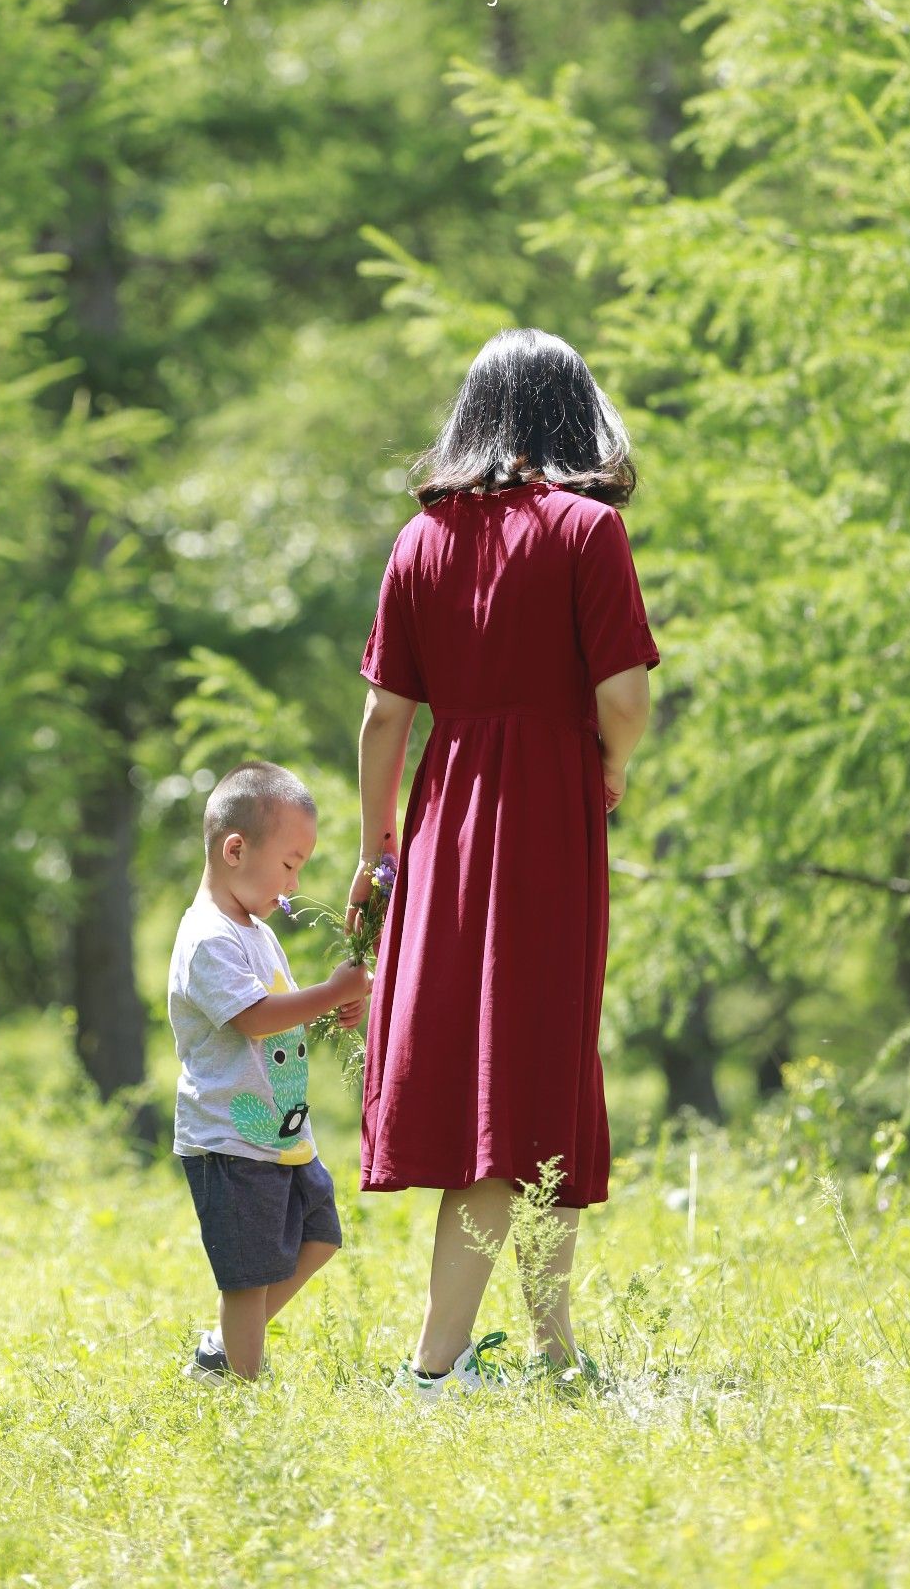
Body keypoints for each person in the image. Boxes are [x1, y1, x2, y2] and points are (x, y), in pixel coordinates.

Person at [351, 328, 661, 1401]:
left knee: (514, 1080)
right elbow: (625, 694)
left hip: (446, 819)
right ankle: (435, 1367)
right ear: (574, 416)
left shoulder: (419, 540)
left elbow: (386, 715)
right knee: (529, 1072)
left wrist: (378, 847)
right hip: (542, 814)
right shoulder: (587, 532)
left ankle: (552, 1350)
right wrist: (611, 768)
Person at [169, 760, 371, 1382]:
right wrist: (326, 992)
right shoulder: (209, 938)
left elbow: (275, 1017)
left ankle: (222, 1349)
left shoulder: (254, 930)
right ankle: (243, 1388)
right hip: (229, 1139)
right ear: (236, 849)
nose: (294, 883)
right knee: (247, 1276)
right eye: (290, 863)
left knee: (321, 1235)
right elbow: (254, 1020)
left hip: (279, 1134)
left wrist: (328, 1006)